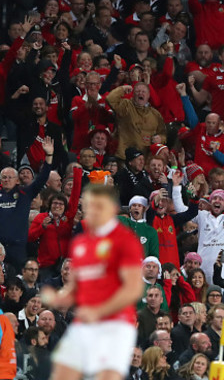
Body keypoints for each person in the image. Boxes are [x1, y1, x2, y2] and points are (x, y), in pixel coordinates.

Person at [45, 185, 144, 380]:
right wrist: (58, 298)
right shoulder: (80, 243)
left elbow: (133, 289)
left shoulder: (124, 241)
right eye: (89, 205)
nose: (93, 210)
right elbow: (75, 287)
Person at [0, 137, 55, 269]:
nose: (7, 180)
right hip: (0, 246)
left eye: (10, 177)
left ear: (17, 180)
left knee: (19, 281)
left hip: (18, 248)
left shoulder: (25, 193)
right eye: (4, 177)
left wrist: (49, 155)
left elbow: (42, 179)